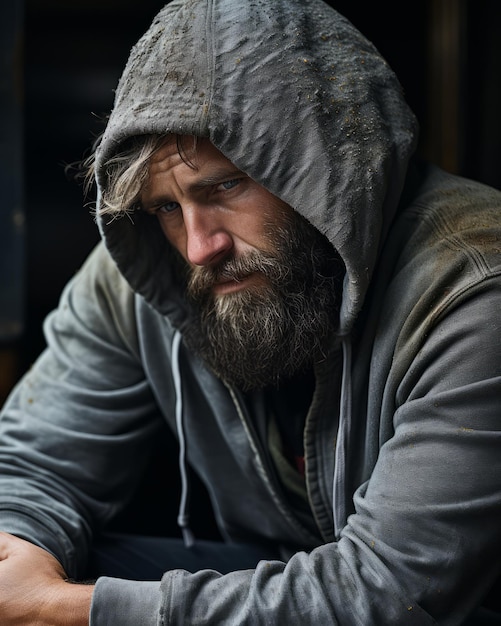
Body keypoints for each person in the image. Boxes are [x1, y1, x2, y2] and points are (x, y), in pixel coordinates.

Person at [1, 0, 500, 623]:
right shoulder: (149, 277)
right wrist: (18, 561)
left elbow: (389, 594)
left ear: (325, 167)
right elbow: (34, 460)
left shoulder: (475, 290)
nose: (199, 245)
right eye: (165, 207)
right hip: (279, 578)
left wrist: (61, 610)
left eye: (226, 186)